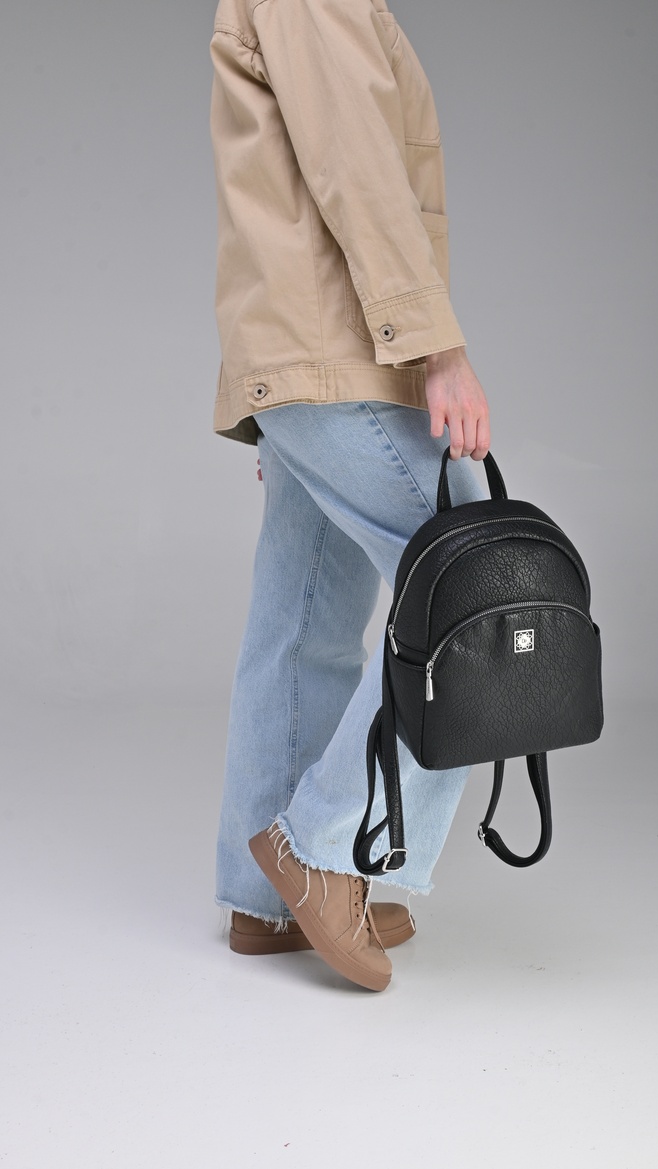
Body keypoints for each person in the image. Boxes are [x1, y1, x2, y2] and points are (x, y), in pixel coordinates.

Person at [209, 0, 491, 991]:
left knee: (302, 617)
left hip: (309, 356)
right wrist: (440, 350)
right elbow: (358, 172)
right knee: (472, 584)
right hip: (344, 355)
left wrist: (284, 398)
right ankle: (323, 847)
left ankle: (266, 899)